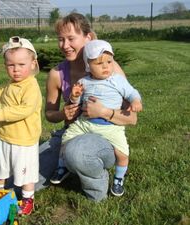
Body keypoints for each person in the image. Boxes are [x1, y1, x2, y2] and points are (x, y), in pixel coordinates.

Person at [35, 13, 138, 201]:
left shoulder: (109, 68)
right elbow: (49, 114)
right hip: (73, 131)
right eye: (60, 39)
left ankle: (97, 188)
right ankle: (66, 167)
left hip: (105, 136)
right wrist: (62, 113)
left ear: (88, 37)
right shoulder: (57, 74)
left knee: (77, 153)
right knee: (24, 177)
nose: (65, 46)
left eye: (71, 39)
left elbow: (132, 118)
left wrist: (104, 112)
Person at [50, 39, 143, 197]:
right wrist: (74, 96)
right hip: (85, 123)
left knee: (122, 153)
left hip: (110, 126)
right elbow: (76, 103)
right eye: (99, 63)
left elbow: (132, 92)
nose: (106, 66)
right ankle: (62, 167)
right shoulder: (83, 82)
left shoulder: (117, 81)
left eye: (109, 61)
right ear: (88, 66)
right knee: (66, 139)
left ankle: (118, 179)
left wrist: (136, 101)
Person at [0, 36, 42, 215]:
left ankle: (28, 200)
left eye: (21, 65)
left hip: (23, 141)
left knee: (25, 174)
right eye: (11, 65)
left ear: (32, 63)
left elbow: (24, 110)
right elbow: (2, 98)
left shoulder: (30, 87)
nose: (16, 70)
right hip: (4, 136)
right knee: (0, 169)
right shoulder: (12, 84)